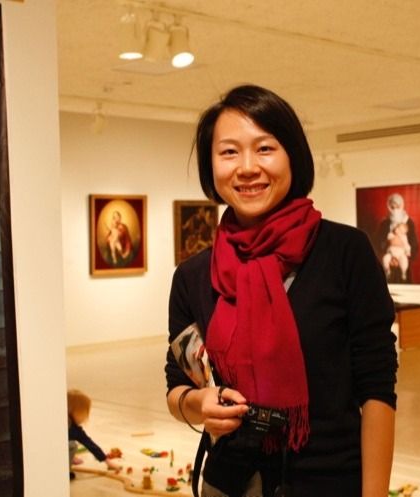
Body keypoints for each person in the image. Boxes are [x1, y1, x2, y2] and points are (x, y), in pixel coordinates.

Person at [164, 85, 398, 497]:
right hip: (230, 482)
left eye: (265, 149)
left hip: (329, 481)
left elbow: (377, 386)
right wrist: (199, 405)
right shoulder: (193, 276)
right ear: (210, 165)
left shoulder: (344, 252)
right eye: (229, 152)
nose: (247, 167)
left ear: (293, 155)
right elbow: (177, 384)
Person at [67, 389, 121, 480]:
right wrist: (108, 462)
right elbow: (89, 444)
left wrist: (106, 461)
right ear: (76, 411)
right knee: (72, 445)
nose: (86, 416)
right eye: (85, 412)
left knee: (70, 445)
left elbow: (89, 444)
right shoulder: (72, 429)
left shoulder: (72, 426)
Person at [375, 193, 418, 283]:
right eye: (392, 207)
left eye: (397, 207)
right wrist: (389, 249)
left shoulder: (409, 222)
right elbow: (378, 243)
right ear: (388, 207)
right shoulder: (384, 223)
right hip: (389, 260)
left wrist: (403, 255)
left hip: (403, 260)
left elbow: (414, 245)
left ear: (402, 206)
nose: (395, 210)